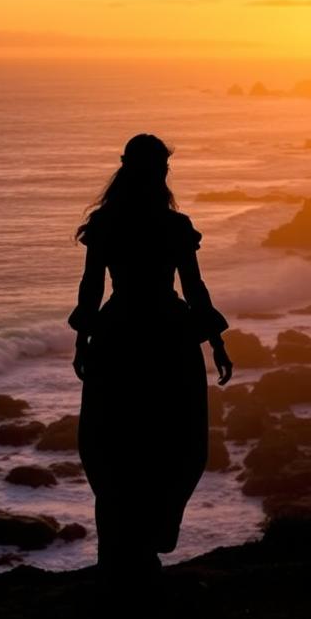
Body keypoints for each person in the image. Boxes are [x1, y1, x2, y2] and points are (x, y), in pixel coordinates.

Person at [67, 133, 234, 580]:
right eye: (162, 167)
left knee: (114, 445)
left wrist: (82, 340)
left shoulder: (107, 224)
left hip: (118, 335)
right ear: (155, 171)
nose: (164, 175)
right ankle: (142, 547)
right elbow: (194, 289)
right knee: (173, 443)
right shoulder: (174, 227)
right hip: (167, 337)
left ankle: (124, 554)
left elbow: (91, 289)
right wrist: (215, 342)